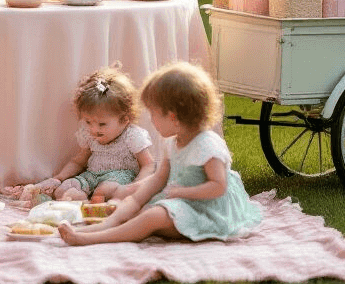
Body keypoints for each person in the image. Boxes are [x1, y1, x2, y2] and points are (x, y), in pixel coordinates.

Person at [58, 62, 262, 246]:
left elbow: (218, 186)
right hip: (182, 203)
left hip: (208, 211)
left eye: (154, 114)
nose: (152, 121)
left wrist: (182, 193)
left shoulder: (207, 146)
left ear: (173, 117)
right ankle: (98, 228)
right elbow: (158, 179)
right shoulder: (172, 143)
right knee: (138, 208)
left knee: (152, 216)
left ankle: (91, 238)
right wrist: (134, 200)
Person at [33, 64, 155, 202]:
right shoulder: (89, 135)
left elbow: (148, 164)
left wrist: (135, 186)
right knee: (63, 189)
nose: (94, 129)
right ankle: (82, 200)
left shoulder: (132, 136)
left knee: (104, 191)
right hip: (91, 175)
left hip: (119, 178)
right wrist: (58, 178)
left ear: (124, 119)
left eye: (102, 124)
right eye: (88, 122)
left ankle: (92, 201)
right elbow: (79, 161)